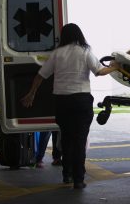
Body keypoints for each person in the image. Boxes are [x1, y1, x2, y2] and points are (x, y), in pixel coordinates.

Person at [21, 23, 117, 189]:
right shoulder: (85, 52)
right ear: (79, 35)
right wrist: (115, 67)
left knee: (66, 139)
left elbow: (40, 76)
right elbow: (100, 71)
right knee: (79, 140)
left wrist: (31, 94)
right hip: (81, 100)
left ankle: (67, 175)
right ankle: (79, 179)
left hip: (62, 101)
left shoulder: (57, 54)